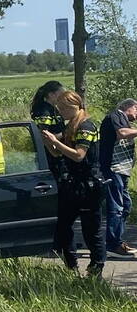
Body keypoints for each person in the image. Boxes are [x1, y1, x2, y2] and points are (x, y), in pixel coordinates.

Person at [41, 90, 106, 276]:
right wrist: (48, 142)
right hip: (73, 184)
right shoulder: (71, 126)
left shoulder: (86, 126)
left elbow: (79, 155)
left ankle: (96, 269)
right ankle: (71, 265)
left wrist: (56, 141)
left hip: (89, 185)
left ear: (73, 106)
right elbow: (58, 154)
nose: (59, 112)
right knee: (62, 226)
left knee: (91, 231)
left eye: (62, 108)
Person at [100, 98, 137, 257]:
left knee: (126, 205)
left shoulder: (124, 120)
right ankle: (113, 245)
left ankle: (117, 240)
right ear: (129, 106)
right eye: (136, 109)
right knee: (116, 208)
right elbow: (121, 133)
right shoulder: (115, 115)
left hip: (122, 171)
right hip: (113, 169)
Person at [31, 80, 66, 180]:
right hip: (49, 155)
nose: (63, 97)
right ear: (51, 95)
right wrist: (64, 134)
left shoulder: (53, 108)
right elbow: (43, 136)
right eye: (61, 94)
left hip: (58, 150)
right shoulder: (44, 111)